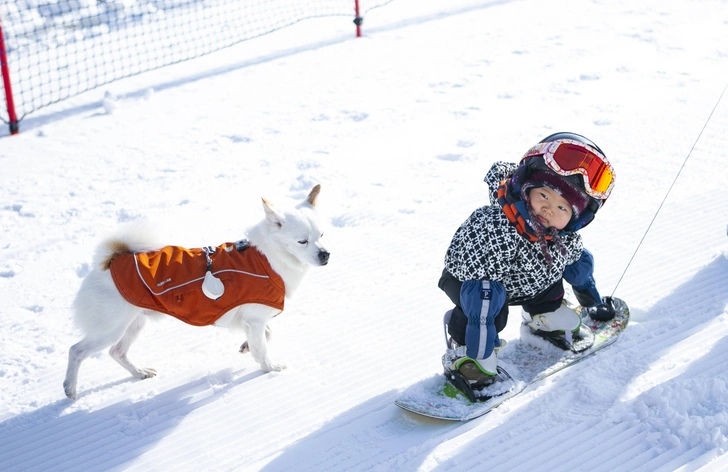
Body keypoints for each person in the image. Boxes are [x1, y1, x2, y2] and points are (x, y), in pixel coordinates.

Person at [438, 132, 617, 393]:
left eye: (562, 208)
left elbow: (580, 270)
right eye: (544, 195)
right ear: (525, 187)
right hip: (471, 284)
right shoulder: (495, 227)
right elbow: (482, 297)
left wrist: (594, 305)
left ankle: (542, 319)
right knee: (493, 311)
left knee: (552, 285)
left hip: (523, 283)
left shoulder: (561, 238)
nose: (549, 209)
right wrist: (480, 352)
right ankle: (464, 351)